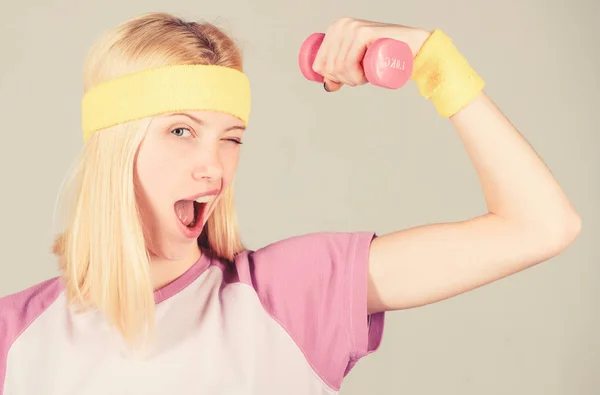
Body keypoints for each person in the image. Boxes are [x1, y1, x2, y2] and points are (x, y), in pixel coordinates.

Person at [0, 12, 581, 395]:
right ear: (114, 145)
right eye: (181, 131)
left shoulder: (291, 296)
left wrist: (435, 64)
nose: (215, 166)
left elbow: (540, 225)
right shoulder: (14, 337)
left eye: (230, 139)